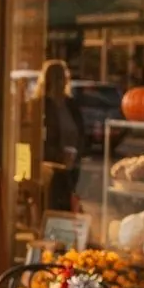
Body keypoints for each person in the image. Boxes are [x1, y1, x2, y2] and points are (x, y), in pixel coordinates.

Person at [33, 58, 85, 212]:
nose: (60, 82)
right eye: (56, 78)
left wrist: (77, 154)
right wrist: (56, 155)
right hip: (50, 166)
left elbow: (81, 131)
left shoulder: (71, 104)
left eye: (62, 77)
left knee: (68, 201)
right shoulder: (41, 105)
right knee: (52, 203)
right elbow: (36, 138)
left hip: (72, 165)